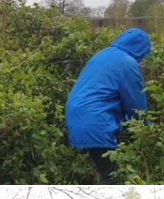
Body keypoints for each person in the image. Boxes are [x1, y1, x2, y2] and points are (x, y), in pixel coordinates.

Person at [65, 28, 152, 184]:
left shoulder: (103, 54)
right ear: (142, 50)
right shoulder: (128, 63)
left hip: (77, 115)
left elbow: (104, 95)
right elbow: (135, 106)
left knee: (107, 171)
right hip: (95, 121)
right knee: (113, 178)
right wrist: (148, 131)